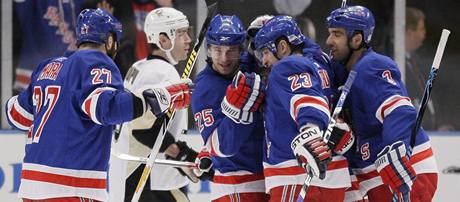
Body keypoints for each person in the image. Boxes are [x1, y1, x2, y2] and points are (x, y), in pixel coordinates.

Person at [5, 8, 191, 202]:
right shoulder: (97, 62)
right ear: (109, 40)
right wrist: (161, 97)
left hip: (30, 186)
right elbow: (109, 108)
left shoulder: (48, 67)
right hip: (71, 188)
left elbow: (15, 115)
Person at [325, 5, 438, 201]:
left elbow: (398, 110)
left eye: (337, 34)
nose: (329, 41)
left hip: (405, 169)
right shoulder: (341, 72)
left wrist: (397, 147)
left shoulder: (372, 66)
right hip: (374, 175)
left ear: (357, 39)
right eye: (329, 33)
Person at [253, 15, 351, 201]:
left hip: (295, 174)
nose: (263, 61)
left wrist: (310, 131)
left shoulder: (287, 65)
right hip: (331, 176)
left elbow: (306, 100)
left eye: (265, 52)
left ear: (282, 47)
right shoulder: (321, 66)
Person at [108, 7, 198, 202]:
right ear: (163, 40)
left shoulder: (139, 67)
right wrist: (182, 155)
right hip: (148, 179)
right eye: (182, 34)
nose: (188, 39)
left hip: (131, 175)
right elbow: (142, 129)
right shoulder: (162, 73)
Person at [191, 14, 267, 202]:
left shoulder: (248, 69)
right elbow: (222, 146)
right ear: (208, 50)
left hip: (266, 180)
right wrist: (238, 111)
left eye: (231, 51)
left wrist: (267, 27)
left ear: (241, 49)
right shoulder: (205, 88)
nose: (224, 59)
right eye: (217, 50)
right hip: (237, 188)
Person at [405, 7, 437, 130]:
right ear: (409, 32)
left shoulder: (416, 61)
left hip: (429, 131)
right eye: (421, 29)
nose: (424, 34)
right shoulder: (391, 61)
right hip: (410, 132)